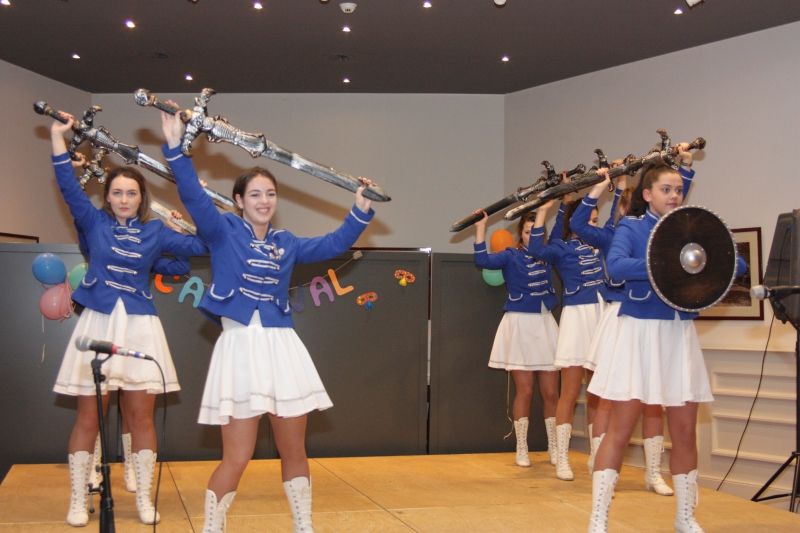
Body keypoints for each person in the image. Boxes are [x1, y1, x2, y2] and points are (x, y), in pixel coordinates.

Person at [160, 105, 376, 533]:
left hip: (282, 347)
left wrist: (360, 209)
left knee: (293, 449)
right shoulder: (222, 231)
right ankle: (212, 528)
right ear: (239, 201)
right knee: (237, 456)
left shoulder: (287, 242)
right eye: (255, 194)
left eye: (270, 194)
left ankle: (303, 526)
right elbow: (193, 197)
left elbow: (334, 244)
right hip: (240, 349)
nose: (264, 201)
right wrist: (174, 149)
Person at [50, 115, 209, 527]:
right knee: (89, 417)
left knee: (141, 418)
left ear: (142, 198)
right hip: (98, 324)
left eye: (131, 193)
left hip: (140, 326)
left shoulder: (156, 232)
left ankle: (142, 498)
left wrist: (191, 212)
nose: (124, 199)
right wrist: (56, 138)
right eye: (117, 192)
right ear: (107, 196)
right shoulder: (94, 222)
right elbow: (68, 188)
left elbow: (204, 244)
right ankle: (77, 498)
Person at [586, 159, 744, 533]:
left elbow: (734, 263)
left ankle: (685, 517)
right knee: (620, 430)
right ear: (647, 194)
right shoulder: (631, 226)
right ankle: (598, 520)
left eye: (678, 190)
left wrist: (703, 261)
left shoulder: (691, 228)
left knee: (685, 432)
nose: (674, 196)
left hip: (678, 335)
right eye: (666, 190)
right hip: (638, 332)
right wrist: (664, 263)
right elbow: (615, 267)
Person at [575, 152, 695, 498]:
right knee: (610, 400)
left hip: (662, 322)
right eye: (623, 204)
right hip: (623, 317)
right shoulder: (617, 232)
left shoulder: (670, 227)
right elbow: (582, 225)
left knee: (656, 403)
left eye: (677, 191)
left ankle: (653, 472)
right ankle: (600, 465)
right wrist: (602, 187)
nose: (673, 196)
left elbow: (673, 203)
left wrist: (685, 168)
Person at [527, 192, 608, 481]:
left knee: (598, 394)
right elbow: (536, 247)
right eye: (590, 220)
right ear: (575, 221)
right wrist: (545, 210)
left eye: (596, 220)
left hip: (602, 315)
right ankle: (562, 457)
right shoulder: (561, 248)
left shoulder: (602, 243)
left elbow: (619, 220)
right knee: (570, 391)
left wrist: (617, 184)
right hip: (577, 317)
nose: (594, 225)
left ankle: (597, 456)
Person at [473, 211, 560, 468]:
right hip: (520, 324)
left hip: (544, 323)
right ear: (520, 234)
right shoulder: (511, 255)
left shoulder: (548, 253)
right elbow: (482, 259)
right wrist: (481, 227)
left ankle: (554, 446)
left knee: (551, 393)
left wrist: (561, 203)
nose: (532, 236)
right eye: (527, 232)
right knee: (525, 390)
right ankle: (521, 447)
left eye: (536, 232)